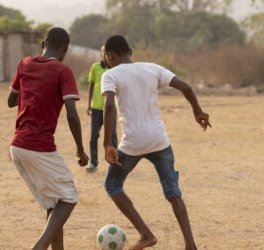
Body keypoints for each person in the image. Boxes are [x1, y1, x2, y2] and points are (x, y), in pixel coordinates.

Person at [101, 35, 211, 250]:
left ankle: (145, 234)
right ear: (130, 51)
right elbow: (186, 88)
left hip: (133, 142)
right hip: (159, 140)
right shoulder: (152, 68)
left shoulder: (110, 75)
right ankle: (190, 245)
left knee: (112, 185)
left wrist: (107, 143)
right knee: (173, 191)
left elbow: (108, 106)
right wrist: (198, 111)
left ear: (109, 56)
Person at [7, 27, 89, 250]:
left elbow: (10, 101)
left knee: (54, 203)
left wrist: (31, 90)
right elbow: (72, 113)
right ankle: (39, 247)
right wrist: (81, 149)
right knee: (69, 197)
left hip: (17, 146)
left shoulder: (24, 64)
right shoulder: (63, 71)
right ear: (65, 49)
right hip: (38, 147)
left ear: (43, 44)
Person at [86, 46, 118, 171]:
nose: (106, 55)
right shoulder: (95, 67)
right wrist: (89, 104)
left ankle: (116, 161)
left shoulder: (115, 69)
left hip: (110, 108)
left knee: (113, 135)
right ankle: (93, 162)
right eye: (104, 53)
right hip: (97, 108)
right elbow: (91, 85)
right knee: (94, 135)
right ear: (101, 54)